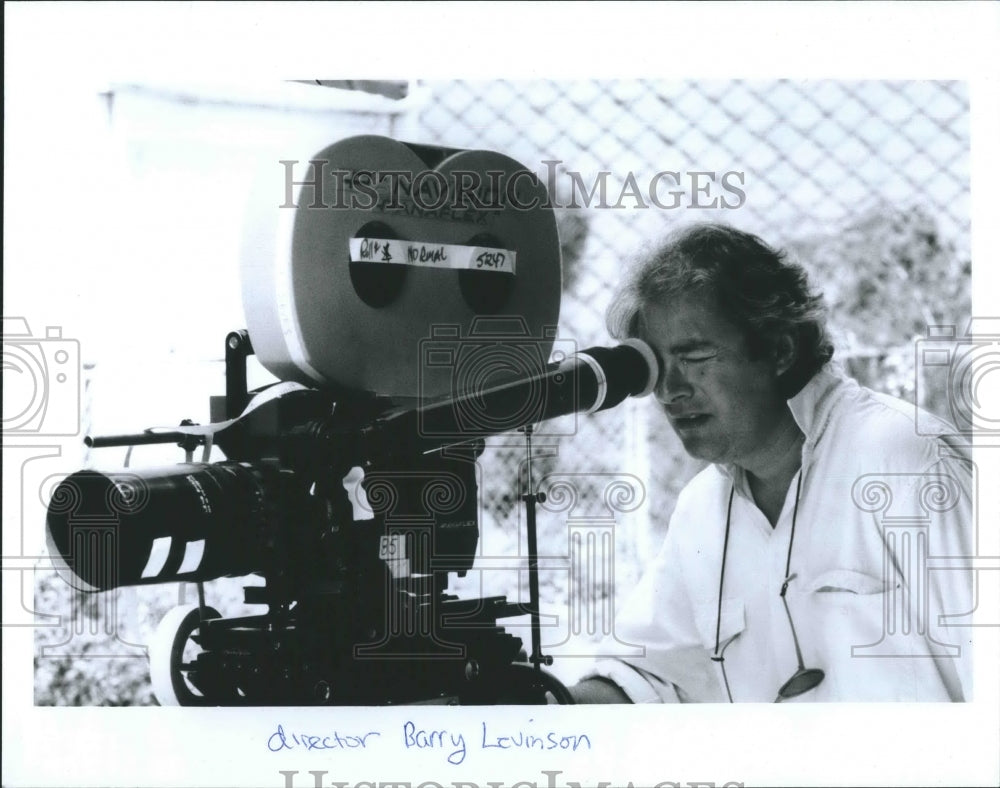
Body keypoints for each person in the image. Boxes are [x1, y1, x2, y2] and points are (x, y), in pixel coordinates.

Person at [571, 222, 974, 703]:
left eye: (696, 356)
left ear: (780, 349)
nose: (670, 390)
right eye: (657, 367)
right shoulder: (702, 511)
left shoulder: (905, 460)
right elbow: (648, 676)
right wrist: (549, 710)